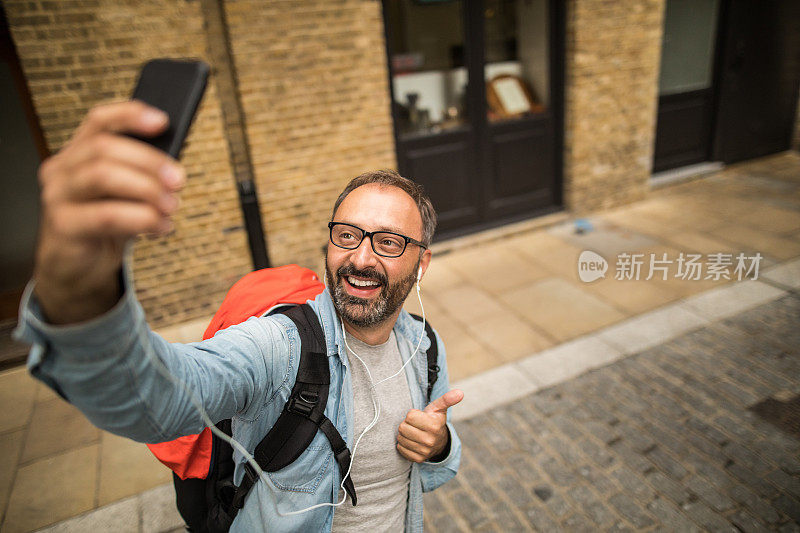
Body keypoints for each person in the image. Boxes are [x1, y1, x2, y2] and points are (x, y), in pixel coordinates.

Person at [15, 101, 462, 532]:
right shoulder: (281, 347)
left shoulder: (424, 346)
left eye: (387, 242)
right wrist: (80, 294)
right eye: (347, 235)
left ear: (421, 264)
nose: (360, 258)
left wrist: (439, 445)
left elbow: (437, 468)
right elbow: (154, 398)